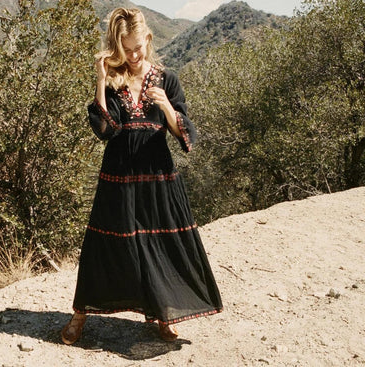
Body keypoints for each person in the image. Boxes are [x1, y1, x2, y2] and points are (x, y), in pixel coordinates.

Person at [61, 7, 223, 345]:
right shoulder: (115, 80)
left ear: (147, 39)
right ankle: (80, 314)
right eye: (126, 49)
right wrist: (102, 78)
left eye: (138, 47)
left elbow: (185, 135)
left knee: (160, 243)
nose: (133, 56)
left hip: (157, 173)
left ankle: (164, 315)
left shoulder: (167, 79)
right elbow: (105, 129)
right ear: (117, 47)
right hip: (118, 173)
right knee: (104, 243)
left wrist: (165, 105)